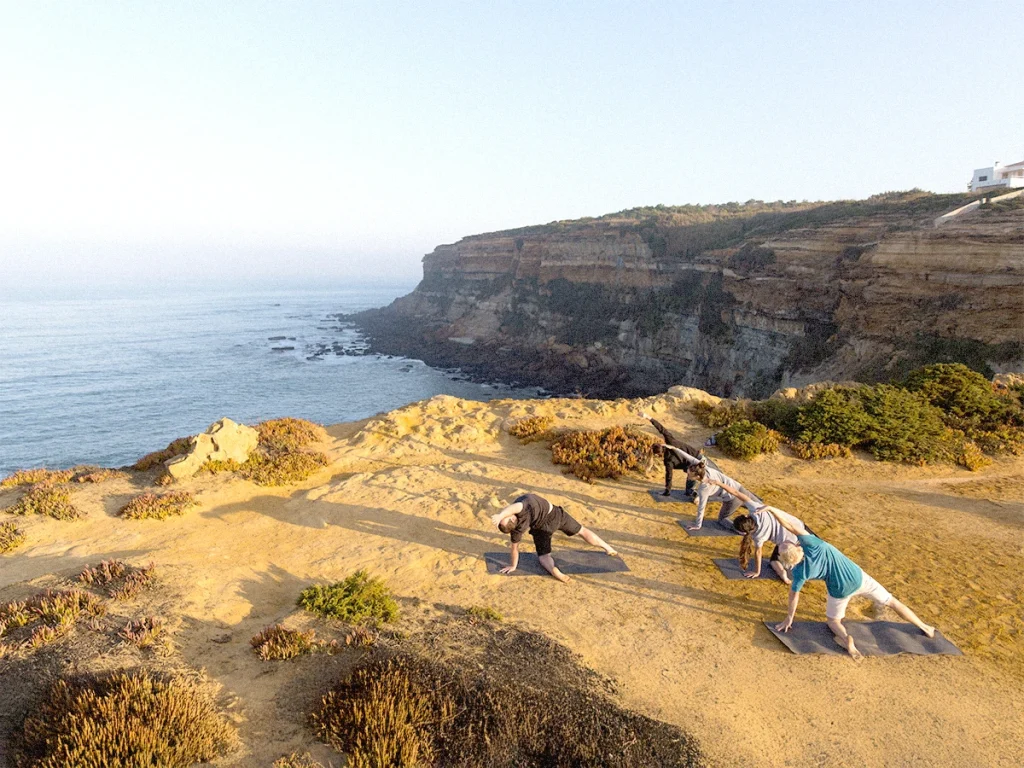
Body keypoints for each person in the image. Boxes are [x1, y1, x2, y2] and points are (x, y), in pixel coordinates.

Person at [764, 505, 936, 660]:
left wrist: (789, 618)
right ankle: (925, 627)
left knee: (833, 621)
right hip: (857, 577)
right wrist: (771, 509)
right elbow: (789, 525)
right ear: (797, 548)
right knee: (892, 602)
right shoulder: (812, 544)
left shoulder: (799, 572)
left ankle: (847, 640)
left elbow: (794, 596)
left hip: (840, 590)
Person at [489, 493, 617, 583]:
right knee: (582, 531)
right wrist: (500, 515)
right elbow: (513, 508)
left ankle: (553, 570)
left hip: (540, 529)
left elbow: (514, 549)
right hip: (555, 515)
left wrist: (513, 566)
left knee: (544, 556)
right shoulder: (522, 507)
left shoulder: (517, 530)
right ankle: (608, 547)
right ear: (512, 517)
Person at [705, 480, 805, 583]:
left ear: (744, 532)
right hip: (796, 527)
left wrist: (757, 572)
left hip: (790, 541)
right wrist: (718, 483)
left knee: (775, 561)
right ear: (746, 515)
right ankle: (795, 562)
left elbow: (758, 553)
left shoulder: (758, 536)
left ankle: (783, 573)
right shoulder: (756, 509)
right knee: (792, 553)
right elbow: (736, 493)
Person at [659, 445, 762, 531]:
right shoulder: (703, 467)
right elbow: (688, 457)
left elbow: (701, 508)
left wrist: (698, 525)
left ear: (697, 477)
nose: (688, 475)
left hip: (732, 499)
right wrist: (674, 448)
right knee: (761, 506)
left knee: (722, 519)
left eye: (690, 474)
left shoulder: (704, 488)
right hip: (739, 488)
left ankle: (741, 530)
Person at [639, 411, 703, 498]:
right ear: (661, 444)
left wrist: (667, 492)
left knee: (693, 486)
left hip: (694, 464)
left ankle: (695, 494)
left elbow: (669, 477)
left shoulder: (668, 461)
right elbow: (662, 429)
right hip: (698, 457)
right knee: (696, 479)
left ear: (658, 454)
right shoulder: (670, 441)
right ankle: (695, 491)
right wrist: (648, 417)